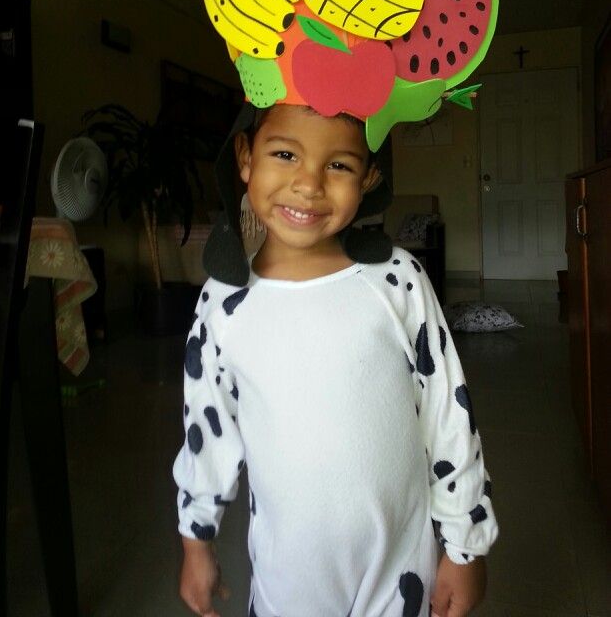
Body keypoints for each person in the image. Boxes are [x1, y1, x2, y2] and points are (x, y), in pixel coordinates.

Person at [173, 102, 498, 617]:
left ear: (368, 177)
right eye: (284, 153)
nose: (309, 184)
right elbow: (206, 431)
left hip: (400, 569)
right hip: (288, 576)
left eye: (339, 165)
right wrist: (197, 540)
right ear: (245, 157)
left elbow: (448, 414)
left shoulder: (397, 281)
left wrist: (465, 545)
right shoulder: (224, 301)